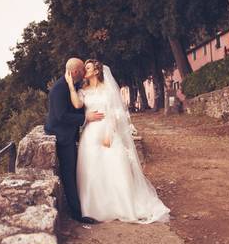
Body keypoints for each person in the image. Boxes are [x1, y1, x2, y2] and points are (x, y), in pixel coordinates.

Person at [67, 59, 170, 224]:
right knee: (91, 168)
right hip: (90, 134)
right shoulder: (83, 90)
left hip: (106, 131)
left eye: (88, 68)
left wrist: (109, 133)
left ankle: (119, 205)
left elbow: (115, 113)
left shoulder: (107, 89)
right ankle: (94, 208)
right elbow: (78, 105)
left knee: (113, 166)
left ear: (96, 71)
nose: (84, 70)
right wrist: (71, 86)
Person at [44, 57, 104, 223]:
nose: (85, 73)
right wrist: (86, 118)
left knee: (76, 172)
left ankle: (84, 206)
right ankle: (77, 214)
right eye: (83, 70)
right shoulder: (58, 89)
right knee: (69, 174)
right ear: (76, 72)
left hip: (70, 134)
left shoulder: (73, 85)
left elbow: (77, 104)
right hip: (61, 136)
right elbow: (61, 116)